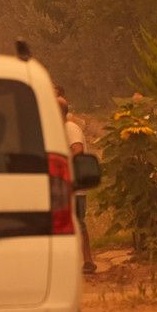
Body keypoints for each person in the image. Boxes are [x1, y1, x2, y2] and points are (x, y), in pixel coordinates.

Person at [58, 96, 96, 274]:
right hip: (68, 185)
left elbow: (78, 150)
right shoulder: (62, 128)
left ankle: (88, 261)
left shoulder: (70, 128)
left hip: (74, 187)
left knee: (78, 223)